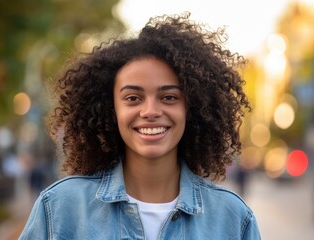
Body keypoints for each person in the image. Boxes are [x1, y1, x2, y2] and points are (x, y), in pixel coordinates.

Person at [19, 13, 261, 239]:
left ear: (192, 108)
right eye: (133, 98)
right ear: (110, 108)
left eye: (169, 97)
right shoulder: (60, 209)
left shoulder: (234, 219)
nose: (151, 112)